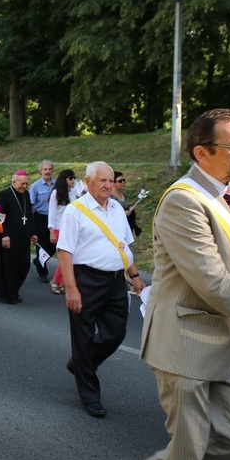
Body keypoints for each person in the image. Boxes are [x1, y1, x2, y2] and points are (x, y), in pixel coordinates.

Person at [140, 109, 230, 460]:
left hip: (225, 339)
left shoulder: (229, 193)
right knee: (189, 453)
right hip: (185, 344)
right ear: (202, 152)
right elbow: (214, 282)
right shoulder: (183, 201)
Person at [57, 161, 146, 418]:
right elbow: (64, 252)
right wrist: (71, 289)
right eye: (102, 181)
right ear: (88, 182)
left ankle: (80, 364)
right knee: (83, 338)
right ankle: (90, 396)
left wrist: (135, 276)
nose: (108, 185)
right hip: (86, 280)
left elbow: (124, 246)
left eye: (110, 180)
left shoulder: (117, 208)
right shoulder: (76, 211)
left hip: (116, 281)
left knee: (115, 334)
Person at [0, 170, 36, 304]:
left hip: (23, 239)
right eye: (22, 184)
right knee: (9, 267)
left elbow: (29, 215)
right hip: (8, 239)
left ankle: (14, 291)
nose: (25, 186)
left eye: (27, 184)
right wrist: (4, 235)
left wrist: (33, 232)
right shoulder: (3, 195)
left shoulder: (26, 194)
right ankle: (9, 294)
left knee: (24, 266)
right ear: (14, 182)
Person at [48, 170, 79, 295]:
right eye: (70, 178)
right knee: (66, 256)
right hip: (59, 228)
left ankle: (60, 282)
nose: (72, 180)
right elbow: (52, 213)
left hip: (71, 228)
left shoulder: (73, 192)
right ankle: (56, 280)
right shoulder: (56, 193)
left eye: (74, 178)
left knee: (71, 256)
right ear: (64, 179)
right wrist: (51, 231)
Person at [30, 160, 56, 282]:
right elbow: (31, 205)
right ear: (41, 171)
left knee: (54, 246)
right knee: (41, 246)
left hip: (55, 219)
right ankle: (42, 272)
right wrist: (32, 222)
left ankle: (37, 260)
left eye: (49, 169)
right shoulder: (35, 186)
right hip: (40, 217)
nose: (47, 171)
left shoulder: (57, 185)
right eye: (45, 169)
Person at [111, 171, 142, 236]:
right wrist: (122, 214)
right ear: (113, 183)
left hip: (127, 228)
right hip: (115, 230)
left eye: (123, 180)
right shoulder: (109, 197)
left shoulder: (123, 194)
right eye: (120, 181)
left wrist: (130, 209)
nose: (123, 182)